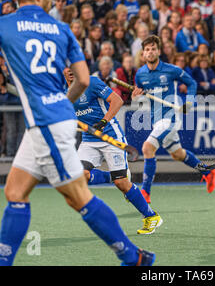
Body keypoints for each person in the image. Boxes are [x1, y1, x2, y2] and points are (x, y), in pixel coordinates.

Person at [0, 0, 154, 266]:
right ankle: (0, 264)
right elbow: (81, 79)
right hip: (48, 121)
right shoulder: (61, 28)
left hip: (46, 123)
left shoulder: (2, 24)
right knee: (14, 190)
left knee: (78, 196)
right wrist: (62, 105)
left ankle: (134, 257)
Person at [63, 67, 163, 235]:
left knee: (121, 184)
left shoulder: (92, 82)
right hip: (89, 141)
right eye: (67, 68)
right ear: (63, 72)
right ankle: (113, 175)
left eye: (74, 65)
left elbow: (117, 101)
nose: (71, 70)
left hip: (111, 136)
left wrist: (103, 122)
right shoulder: (64, 94)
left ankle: (151, 216)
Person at [131, 35, 215, 203]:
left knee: (148, 148)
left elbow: (191, 83)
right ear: (143, 53)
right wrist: (135, 97)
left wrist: (190, 102)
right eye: (147, 50)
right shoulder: (140, 74)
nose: (150, 52)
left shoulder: (171, 69)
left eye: (153, 49)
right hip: (156, 119)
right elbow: (140, 96)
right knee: (178, 154)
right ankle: (207, 171)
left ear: (159, 51)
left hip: (171, 117)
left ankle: (145, 193)